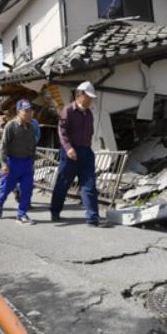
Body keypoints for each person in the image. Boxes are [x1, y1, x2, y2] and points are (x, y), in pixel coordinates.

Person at [51, 81, 102, 226]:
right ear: (79, 95)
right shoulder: (68, 111)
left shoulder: (89, 113)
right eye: (88, 97)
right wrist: (68, 148)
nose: (90, 100)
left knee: (89, 185)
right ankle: (55, 211)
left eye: (92, 98)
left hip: (86, 152)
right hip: (70, 153)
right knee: (63, 184)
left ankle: (92, 218)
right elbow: (62, 131)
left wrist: (88, 148)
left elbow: (90, 132)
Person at [0, 99, 37, 225]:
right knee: (6, 188)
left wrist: (32, 162)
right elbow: (3, 147)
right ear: (19, 112)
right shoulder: (11, 126)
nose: (29, 113)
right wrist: (4, 164)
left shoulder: (31, 128)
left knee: (27, 189)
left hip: (27, 163)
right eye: (26, 111)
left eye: (30, 111)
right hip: (12, 163)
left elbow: (33, 146)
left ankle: (21, 213)